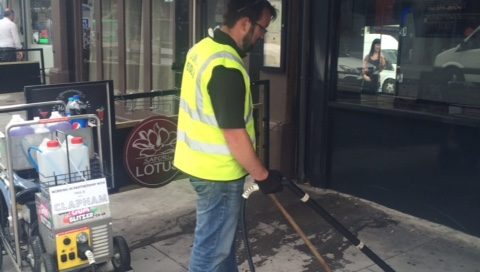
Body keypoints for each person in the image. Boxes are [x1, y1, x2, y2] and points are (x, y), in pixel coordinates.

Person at [173, 0, 282, 271]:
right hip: (217, 175)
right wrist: (262, 175)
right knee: (211, 253)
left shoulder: (202, 49)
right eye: (262, 29)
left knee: (222, 248)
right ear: (245, 22)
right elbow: (234, 133)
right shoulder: (226, 67)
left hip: (200, 165)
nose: (262, 37)